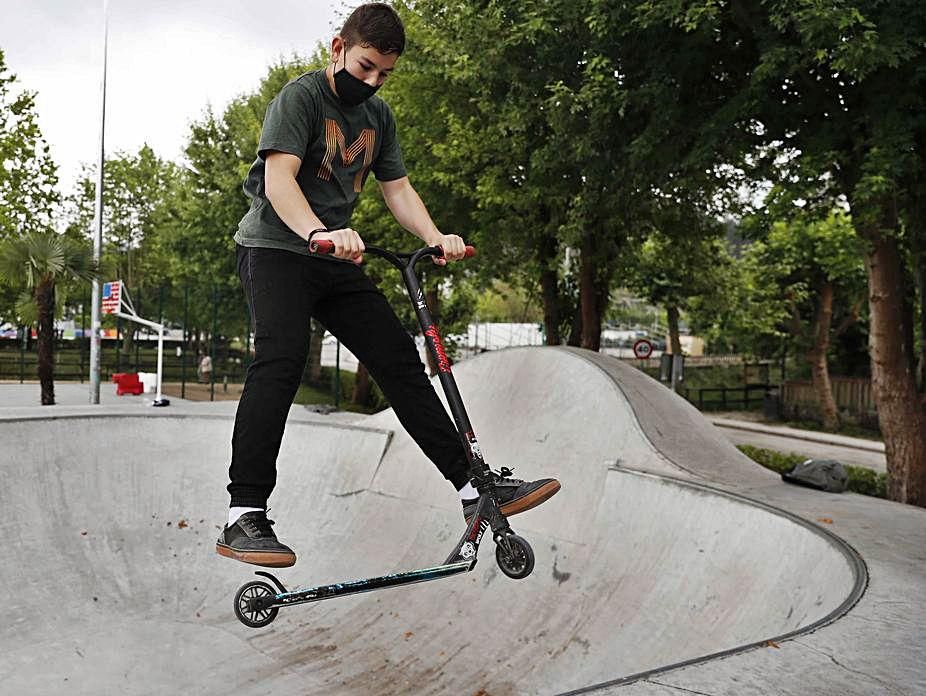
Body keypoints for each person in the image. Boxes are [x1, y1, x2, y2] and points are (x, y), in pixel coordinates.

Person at [216, 3, 560, 568]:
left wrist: (435, 236)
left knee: (399, 361)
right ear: (338, 49)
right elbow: (279, 181)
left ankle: (475, 491)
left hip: (332, 254)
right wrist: (317, 233)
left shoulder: (379, 116)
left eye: (385, 74)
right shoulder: (300, 99)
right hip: (276, 248)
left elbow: (397, 189)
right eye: (366, 66)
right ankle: (243, 515)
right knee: (280, 361)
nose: (372, 82)